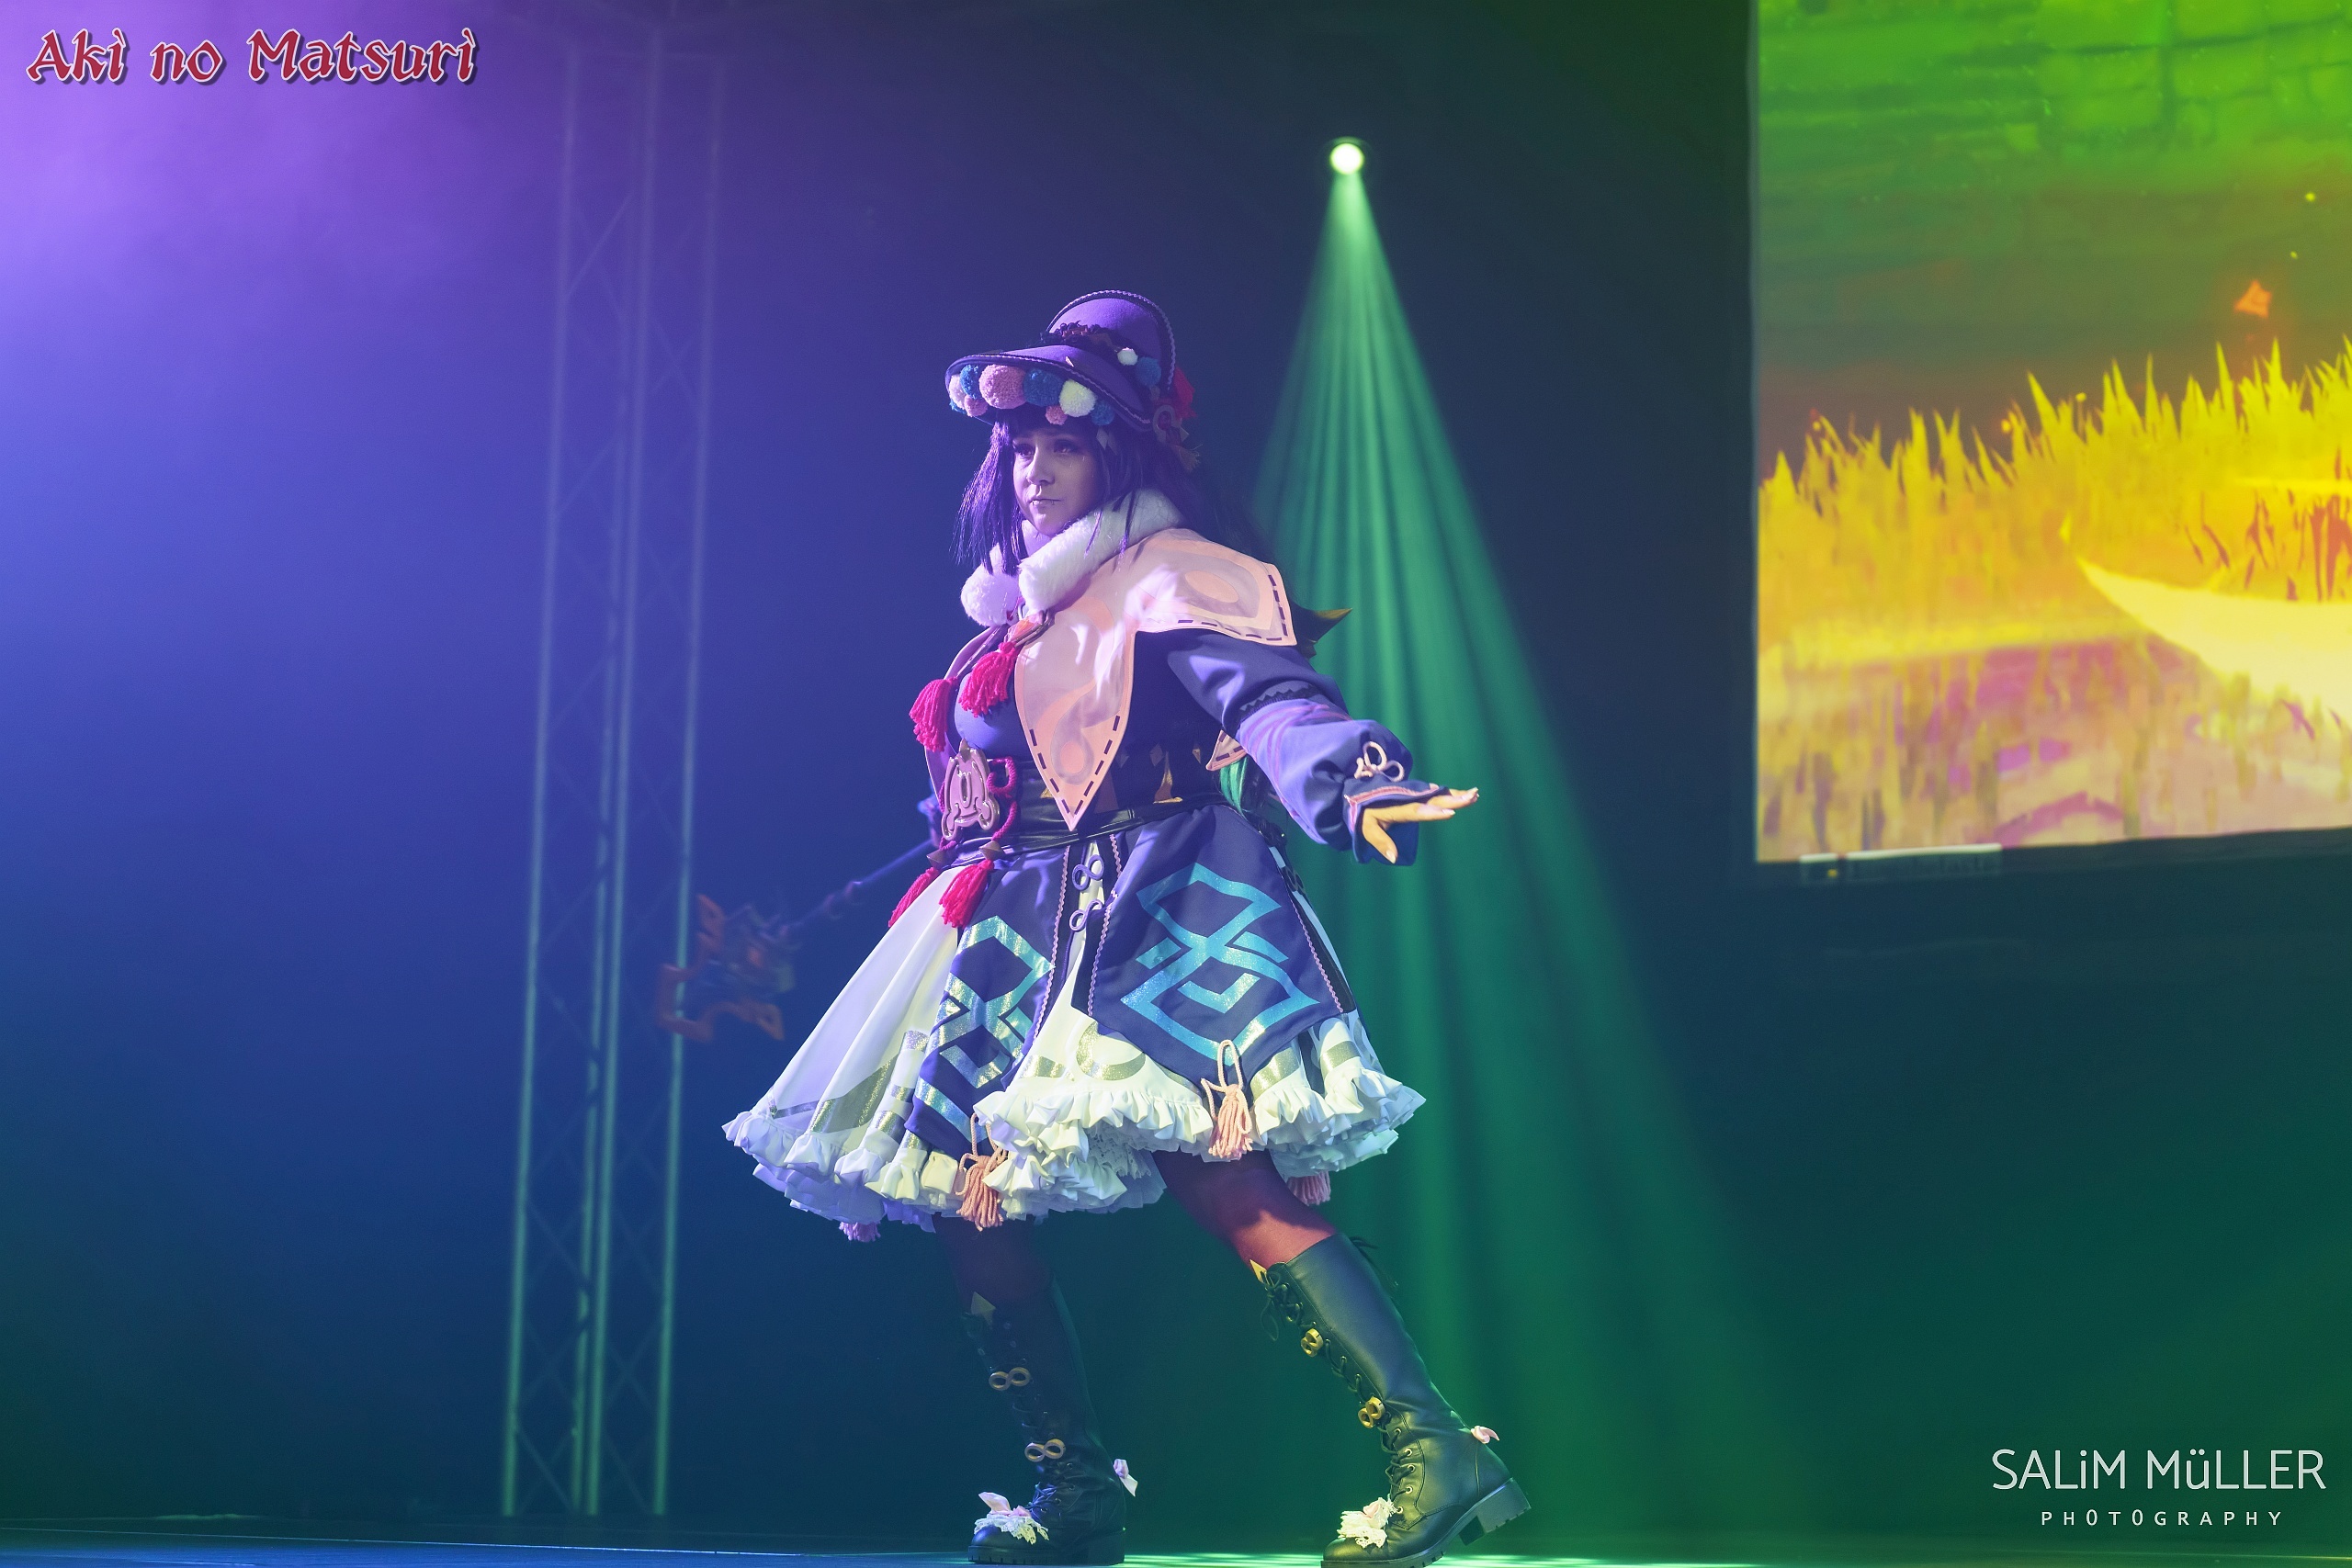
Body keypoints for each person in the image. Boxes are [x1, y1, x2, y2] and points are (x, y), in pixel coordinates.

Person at [724, 291, 1525, 1568]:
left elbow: (1269, 699)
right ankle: (1077, 1490)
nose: (1034, 471)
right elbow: (998, 795)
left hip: (1148, 901)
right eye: (1021, 448)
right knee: (969, 1200)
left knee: (1224, 1177)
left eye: (1065, 446)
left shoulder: (1168, 576)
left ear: (1122, 455)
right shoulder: (1023, 610)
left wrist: (1354, 779)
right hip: (1008, 925)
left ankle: (1436, 1449)